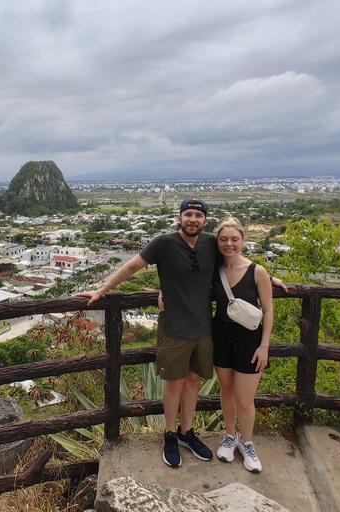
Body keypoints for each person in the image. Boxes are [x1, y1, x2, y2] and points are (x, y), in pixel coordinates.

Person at [78, 198, 217, 468]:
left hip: (203, 328)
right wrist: (101, 290)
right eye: (188, 214)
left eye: (198, 216)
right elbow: (131, 267)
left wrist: (265, 279)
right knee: (174, 383)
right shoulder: (163, 243)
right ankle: (169, 433)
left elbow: (237, 264)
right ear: (179, 218)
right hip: (174, 328)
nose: (192, 219)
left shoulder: (212, 243)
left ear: (205, 221)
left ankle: (186, 432)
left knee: (193, 381)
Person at [211, 217, 272, 473]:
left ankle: (247, 443)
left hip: (250, 340)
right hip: (221, 336)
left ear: (243, 241)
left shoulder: (257, 271)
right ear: (217, 242)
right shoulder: (214, 270)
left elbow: (268, 310)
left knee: (245, 400)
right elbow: (187, 282)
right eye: (223, 239)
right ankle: (229, 434)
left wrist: (264, 345)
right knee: (226, 391)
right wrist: (163, 292)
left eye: (234, 239)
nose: (229, 244)